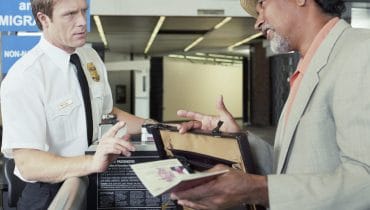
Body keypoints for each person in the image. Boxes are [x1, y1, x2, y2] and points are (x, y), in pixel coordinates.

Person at [170, 0, 370, 209]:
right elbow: (288, 167)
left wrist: (260, 189)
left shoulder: (361, 52)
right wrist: (237, 138)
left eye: (263, 5)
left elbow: (365, 182)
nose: (258, 23)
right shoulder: (306, 69)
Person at [0, 0, 150, 209]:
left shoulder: (89, 57)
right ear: (44, 19)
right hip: (49, 193)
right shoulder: (25, 77)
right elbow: (28, 164)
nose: (82, 22)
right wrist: (92, 162)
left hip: (92, 180)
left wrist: (153, 125)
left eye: (84, 12)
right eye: (70, 14)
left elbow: (107, 113)